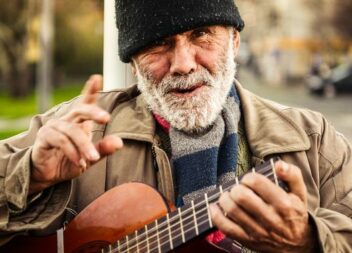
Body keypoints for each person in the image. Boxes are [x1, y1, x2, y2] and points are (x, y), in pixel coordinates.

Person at [1, 0, 352, 252]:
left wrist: (307, 241)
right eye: (158, 44)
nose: (183, 65)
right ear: (135, 66)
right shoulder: (77, 128)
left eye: (201, 34)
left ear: (234, 41)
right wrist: (31, 175)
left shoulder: (314, 141)